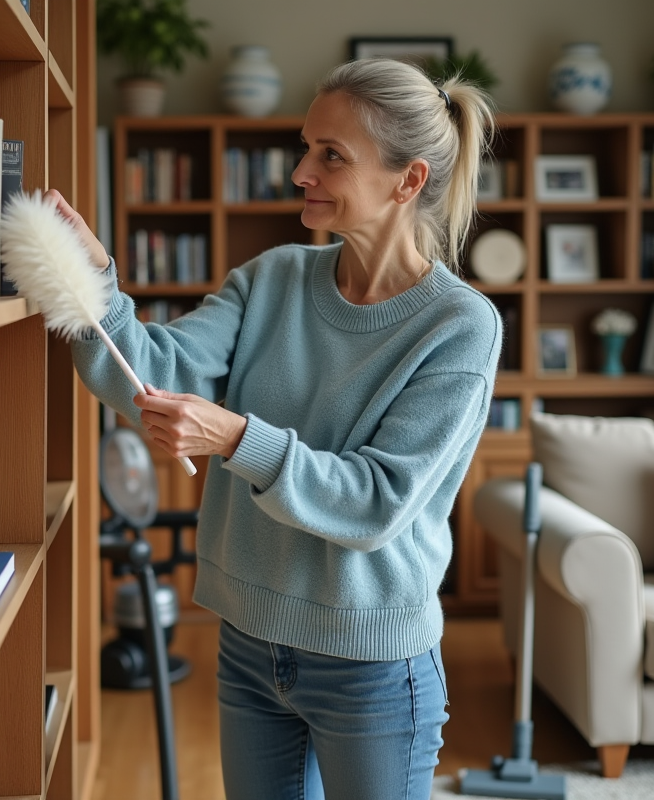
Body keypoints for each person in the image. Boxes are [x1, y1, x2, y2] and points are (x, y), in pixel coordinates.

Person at [53, 58, 500, 800]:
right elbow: (151, 376)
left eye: (331, 155)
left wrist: (234, 438)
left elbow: (376, 500)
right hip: (249, 644)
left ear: (409, 181)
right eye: (305, 148)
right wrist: (91, 279)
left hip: (373, 666)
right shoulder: (272, 278)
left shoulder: (459, 327)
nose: (301, 172)